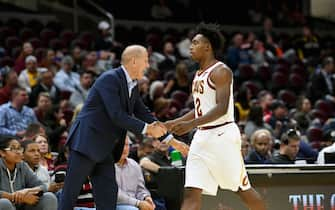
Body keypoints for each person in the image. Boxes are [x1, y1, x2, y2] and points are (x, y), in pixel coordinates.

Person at [59, 45, 187, 210]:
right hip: (87, 142)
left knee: (108, 194)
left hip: (105, 148)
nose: (148, 65)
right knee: (70, 193)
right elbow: (116, 115)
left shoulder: (132, 85)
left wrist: (171, 141)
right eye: (146, 61)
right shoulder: (109, 79)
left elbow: (143, 112)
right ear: (134, 61)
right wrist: (148, 129)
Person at [164, 22, 266, 210]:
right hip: (202, 137)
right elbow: (200, 108)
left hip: (222, 135)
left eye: (195, 43)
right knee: (191, 192)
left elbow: (220, 108)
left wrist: (191, 124)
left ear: (207, 47)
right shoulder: (198, 74)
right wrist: (175, 122)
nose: (190, 47)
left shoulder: (221, 71)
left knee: (242, 189)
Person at [0, 135, 57, 210]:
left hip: (21, 206)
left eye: (19, 149)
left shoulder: (23, 166)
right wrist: (16, 197)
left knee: (49, 197)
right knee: (4, 203)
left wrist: (27, 191)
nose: (18, 152)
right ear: (2, 153)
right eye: (13, 148)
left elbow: (42, 186)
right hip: (5, 205)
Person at [115, 135, 155, 210]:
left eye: (127, 145)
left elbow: (140, 188)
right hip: (114, 205)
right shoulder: (107, 167)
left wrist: (146, 197)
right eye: (121, 145)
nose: (124, 148)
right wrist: (138, 203)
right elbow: (114, 194)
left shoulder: (134, 164)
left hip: (135, 204)